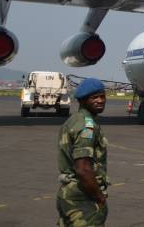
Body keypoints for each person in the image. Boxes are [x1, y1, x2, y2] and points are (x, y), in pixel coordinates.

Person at [57, 78, 109, 227]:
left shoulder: (73, 120)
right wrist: (99, 197)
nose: (100, 101)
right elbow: (83, 169)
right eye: (94, 97)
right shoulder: (87, 126)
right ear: (83, 100)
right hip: (83, 198)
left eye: (102, 96)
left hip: (67, 193)